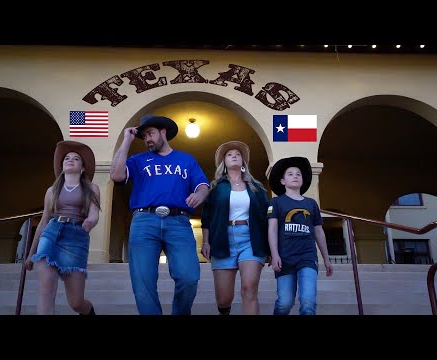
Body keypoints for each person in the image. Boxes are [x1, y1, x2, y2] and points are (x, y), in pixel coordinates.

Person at [110, 114, 210, 315]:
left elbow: (202, 185)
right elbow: (116, 175)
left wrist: (199, 194)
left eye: (151, 134)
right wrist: (127, 140)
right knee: (143, 281)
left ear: (163, 132)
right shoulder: (137, 160)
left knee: (189, 276)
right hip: (144, 221)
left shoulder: (186, 159)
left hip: (179, 222)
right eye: (144, 136)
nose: (147, 139)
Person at [25, 140, 101, 315]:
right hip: (51, 233)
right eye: (67, 158)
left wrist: (90, 222)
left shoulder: (91, 188)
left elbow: (94, 213)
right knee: (46, 292)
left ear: (82, 167)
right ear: (62, 165)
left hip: (76, 237)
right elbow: (44, 221)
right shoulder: (52, 191)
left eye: (76, 158)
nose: (70, 160)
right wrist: (30, 254)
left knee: (76, 302)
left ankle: (89, 311)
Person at [201, 141, 270, 315]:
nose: (234, 156)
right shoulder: (216, 188)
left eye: (238, 154)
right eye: (230, 154)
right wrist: (206, 242)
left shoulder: (256, 188)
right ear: (224, 162)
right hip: (223, 240)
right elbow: (206, 218)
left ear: (243, 163)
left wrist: (270, 247)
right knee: (224, 299)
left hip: (251, 240)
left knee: (249, 289)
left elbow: (268, 216)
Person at [267, 156, 333, 315]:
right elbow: (272, 229)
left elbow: (318, 231)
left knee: (308, 301)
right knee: (284, 303)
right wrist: (274, 255)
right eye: (290, 174)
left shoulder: (311, 203)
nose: (295, 176)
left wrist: (327, 258)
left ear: (303, 180)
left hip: (307, 257)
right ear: (282, 181)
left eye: (298, 174)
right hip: (285, 258)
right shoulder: (276, 202)